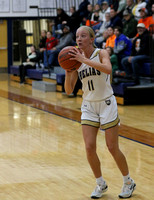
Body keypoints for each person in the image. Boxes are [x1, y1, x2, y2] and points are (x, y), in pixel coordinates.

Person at [64, 26, 136, 199]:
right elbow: (68, 90)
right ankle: (100, 184)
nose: (79, 39)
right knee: (89, 148)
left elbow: (108, 69)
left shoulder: (101, 53)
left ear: (91, 38)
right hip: (88, 105)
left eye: (83, 36)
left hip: (106, 103)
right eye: (77, 36)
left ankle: (128, 182)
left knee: (112, 147)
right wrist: (68, 72)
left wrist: (83, 60)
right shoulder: (75, 60)